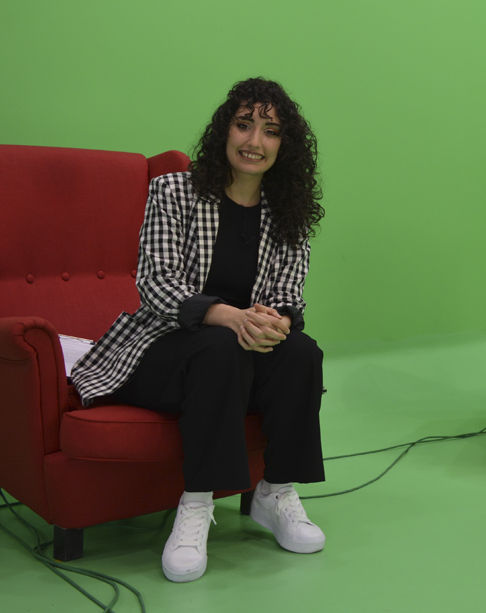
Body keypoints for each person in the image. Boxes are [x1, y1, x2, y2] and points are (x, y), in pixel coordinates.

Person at [70, 78, 328, 581]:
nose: (254, 141)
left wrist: (275, 323)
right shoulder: (173, 191)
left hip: (242, 351)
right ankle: (196, 502)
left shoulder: (288, 212)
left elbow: (289, 296)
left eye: (270, 131)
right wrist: (230, 317)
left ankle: (275, 493)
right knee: (218, 346)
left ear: (285, 146)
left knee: (301, 351)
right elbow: (157, 282)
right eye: (244, 125)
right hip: (164, 350)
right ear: (224, 131)